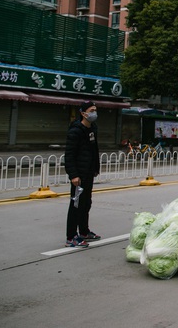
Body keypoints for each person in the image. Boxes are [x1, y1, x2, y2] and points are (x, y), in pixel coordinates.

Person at [64, 101, 102, 248]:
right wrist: (73, 175)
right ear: (83, 113)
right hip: (78, 175)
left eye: (95, 110)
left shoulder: (93, 128)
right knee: (76, 205)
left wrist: (95, 168)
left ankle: (84, 231)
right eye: (91, 110)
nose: (94, 113)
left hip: (88, 173)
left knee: (86, 203)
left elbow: (94, 150)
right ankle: (71, 236)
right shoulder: (75, 131)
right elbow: (69, 155)